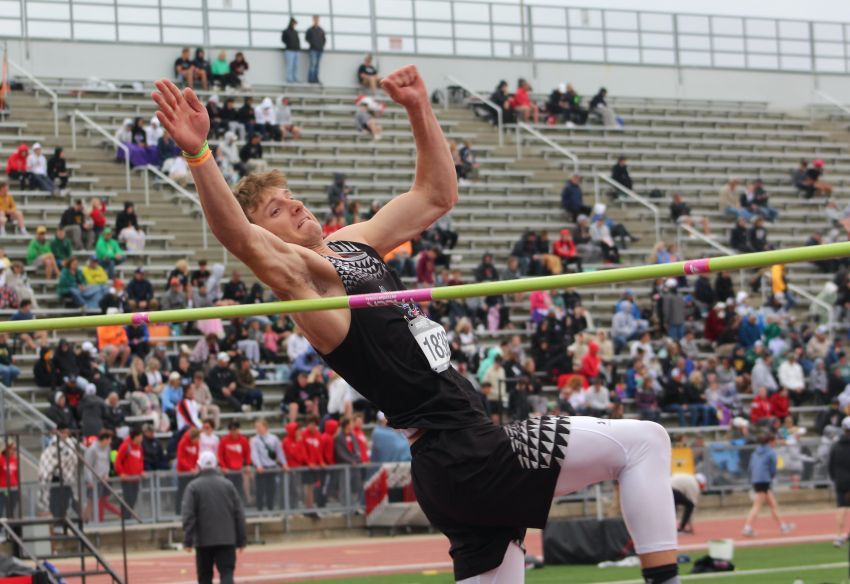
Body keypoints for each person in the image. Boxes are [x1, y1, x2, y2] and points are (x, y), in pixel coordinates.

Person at [152, 67, 680, 584]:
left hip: (451, 466)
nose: (294, 205)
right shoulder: (306, 286)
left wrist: (419, 108)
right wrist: (199, 154)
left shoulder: (349, 245)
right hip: (469, 453)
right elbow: (238, 238)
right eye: (275, 209)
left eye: (290, 196)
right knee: (646, 443)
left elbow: (435, 196)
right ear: (266, 236)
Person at [182, 451, 246, 584]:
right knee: (227, 573)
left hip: (204, 539)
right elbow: (239, 513)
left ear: (199, 466)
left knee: (205, 576)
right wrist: (241, 539)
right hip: (227, 538)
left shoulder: (193, 486)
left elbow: (189, 515)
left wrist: (188, 540)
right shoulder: (228, 485)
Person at [742, 434, 794, 537]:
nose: (776, 443)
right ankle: (747, 527)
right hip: (764, 480)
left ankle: (782, 525)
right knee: (757, 505)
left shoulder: (755, 452)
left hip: (757, 480)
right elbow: (773, 469)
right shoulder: (771, 452)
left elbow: (750, 467)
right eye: (775, 441)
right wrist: (770, 477)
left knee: (773, 504)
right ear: (770, 442)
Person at [250, 418, 287, 511]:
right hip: (261, 468)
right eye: (256, 427)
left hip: (271, 467)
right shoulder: (254, 440)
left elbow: (279, 452)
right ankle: (260, 509)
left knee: (271, 489)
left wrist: (284, 463)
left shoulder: (274, 438)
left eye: (259, 426)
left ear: (265, 427)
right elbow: (254, 453)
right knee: (260, 490)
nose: (257, 429)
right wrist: (258, 465)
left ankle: (270, 508)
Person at [115, 428, 145, 518]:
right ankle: (126, 519)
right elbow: (118, 461)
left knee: (133, 500)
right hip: (127, 480)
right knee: (128, 500)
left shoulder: (140, 447)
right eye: (140, 436)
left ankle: (128, 518)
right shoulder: (125, 446)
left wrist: (141, 471)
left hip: (136, 479)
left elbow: (140, 461)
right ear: (135, 437)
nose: (141, 438)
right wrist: (121, 473)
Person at [829, 417, 850, 547]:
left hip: (840, 480)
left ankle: (838, 536)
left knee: (841, 507)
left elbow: (830, 465)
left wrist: (835, 478)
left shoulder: (836, 445)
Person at [218, 421, 251, 500]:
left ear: (238, 429)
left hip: (239, 469)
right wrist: (223, 466)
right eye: (232, 430)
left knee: (239, 489)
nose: (234, 432)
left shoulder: (243, 440)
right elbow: (220, 455)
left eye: (235, 429)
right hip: (228, 470)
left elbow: (248, 454)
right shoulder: (224, 440)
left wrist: (247, 465)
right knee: (228, 489)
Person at [0, 441, 19, 518]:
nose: (14, 451)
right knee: (3, 505)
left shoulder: (14, 460)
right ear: (7, 449)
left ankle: (10, 524)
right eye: (12, 449)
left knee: (11, 508)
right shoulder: (1, 459)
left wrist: (17, 486)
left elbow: (16, 474)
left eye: (15, 449)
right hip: (4, 489)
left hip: (14, 489)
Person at [305, 15, 326, 84]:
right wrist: (312, 43)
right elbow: (306, 38)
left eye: (317, 19)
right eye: (315, 19)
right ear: (313, 20)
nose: (316, 21)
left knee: (317, 65)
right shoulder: (310, 30)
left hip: (319, 50)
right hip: (313, 49)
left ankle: (316, 79)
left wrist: (321, 46)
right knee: (313, 64)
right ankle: (311, 79)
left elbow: (324, 39)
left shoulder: (321, 30)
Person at [281, 17, 300, 83]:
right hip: (289, 50)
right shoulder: (286, 31)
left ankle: (294, 77)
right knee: (290, 65)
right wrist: (289, 44)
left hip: (296, 51)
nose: (295, 25)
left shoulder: (295, 32)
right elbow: (283, 40)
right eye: (294, 23)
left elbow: (298, 40)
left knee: (296, 65)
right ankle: (289, 78)